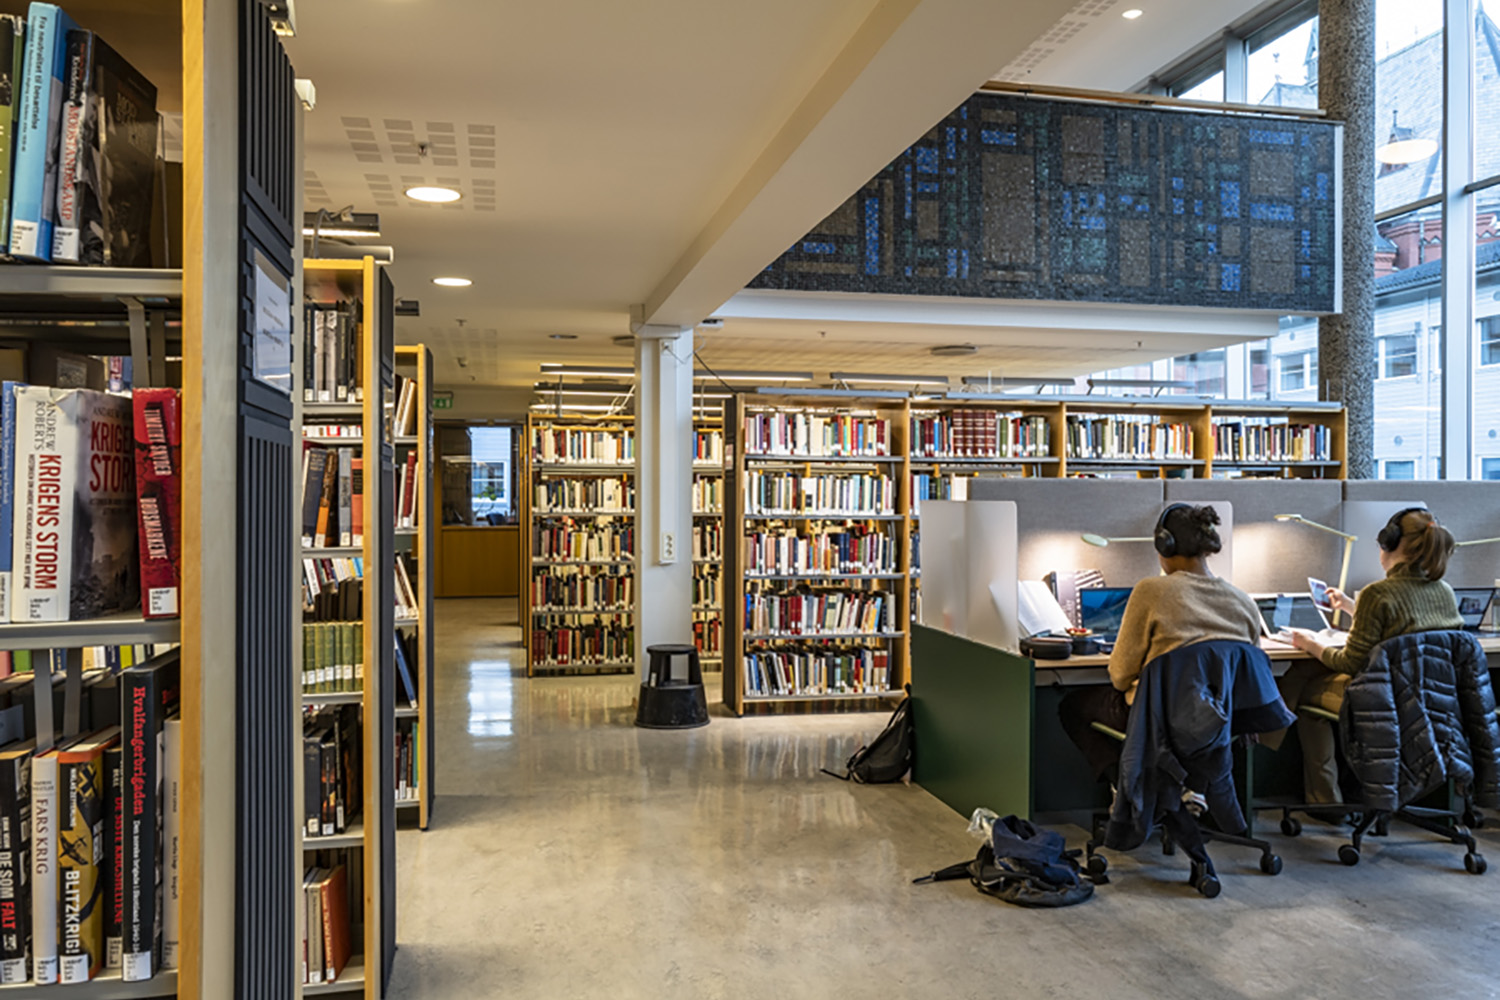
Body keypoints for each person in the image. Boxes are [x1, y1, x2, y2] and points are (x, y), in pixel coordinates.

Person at [1059, 503, 1263, 787]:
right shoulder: (1243, 600)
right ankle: (1184, 788)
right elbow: (1253, 677)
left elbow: (1120, 676)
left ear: (1164, 545)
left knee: (1072, 706)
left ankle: (1128, 788)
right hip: (1219, 720)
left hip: (1157, 718)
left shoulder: (1151, 590)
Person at [1281, 506, 1463, 806]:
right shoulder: (1444, 591)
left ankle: (1326, 801)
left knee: (1304, 693)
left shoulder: (1377, 594)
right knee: (1307, 676)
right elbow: (1403, 625)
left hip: (1383, 702)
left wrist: (1310, 643)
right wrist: (1350, 606)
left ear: (1389, 543)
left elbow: (1350, 663)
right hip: (1431, 702)